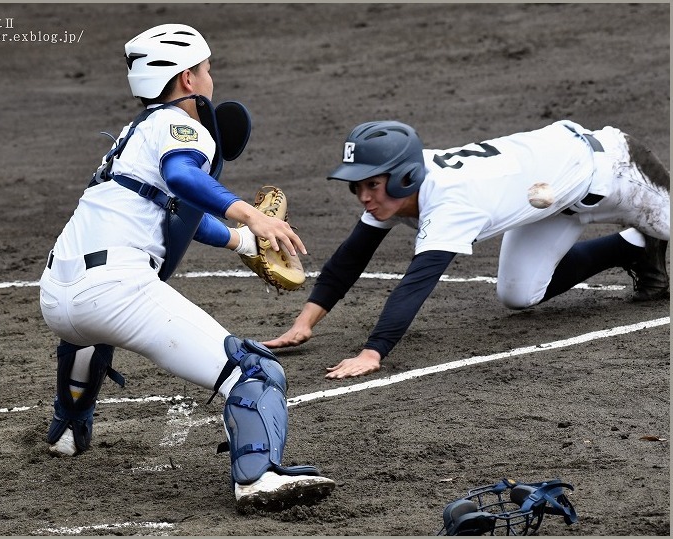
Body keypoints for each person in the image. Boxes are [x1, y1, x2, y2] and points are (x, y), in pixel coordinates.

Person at [38, 23, 334, 511]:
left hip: (58, 298)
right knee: (255, 372)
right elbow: (182, 176)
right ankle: (257, 478)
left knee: (87, 334)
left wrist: (241, 241)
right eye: (207, 68)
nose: (210, 76)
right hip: (116, 292)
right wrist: (250, 215)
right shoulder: (182, 126)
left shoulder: (132, 139)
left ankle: (68, 431)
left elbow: (175, 212)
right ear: (189, 80)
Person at [265, 119, 669, 379]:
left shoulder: (450, 202)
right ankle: (634, 246)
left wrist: (373, 352)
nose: (364, 197)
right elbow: (350, 259)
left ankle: (651, 233)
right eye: (358, 186)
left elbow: (416, 284)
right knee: (519, 294)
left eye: (371, 184)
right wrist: (304, 324)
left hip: (616, 169)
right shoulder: (397, 186)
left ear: (405, 175)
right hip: (550, 196)